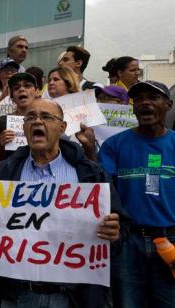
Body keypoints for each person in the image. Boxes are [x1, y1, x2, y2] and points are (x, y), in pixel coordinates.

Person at [0, 98, 124, 308]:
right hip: (17, 295)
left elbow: (122, 230)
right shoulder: (3, 172)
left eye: (46, 117)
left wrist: (115, 233)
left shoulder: (90, 173)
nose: (37, 122)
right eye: (30, 117)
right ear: (24, 127)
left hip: (74, 297)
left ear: (62, 127)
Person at [98, 80, 175, 308]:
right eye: (139, 99)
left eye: (153, 98)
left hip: (171, 240)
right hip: (128, 243)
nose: (145, 104)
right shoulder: (113, 145)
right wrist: (90, 152)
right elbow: (104, 191)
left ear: (168, 104)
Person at [0, 73, 39, 159]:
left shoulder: (48, 120)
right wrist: (0, 144)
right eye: (16, 88)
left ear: (37, 92)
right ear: (12, 97)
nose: (22, 89)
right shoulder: (1, 122)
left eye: (27, 86)